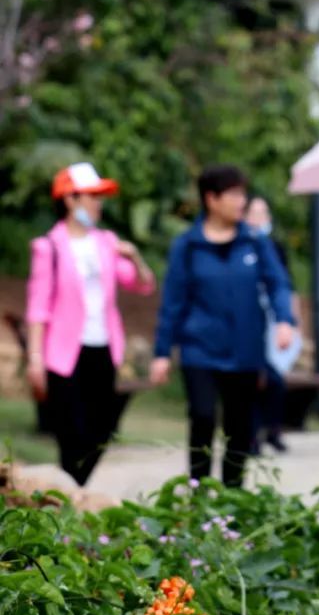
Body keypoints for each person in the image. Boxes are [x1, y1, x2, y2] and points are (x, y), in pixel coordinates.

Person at [150, 164, 295, 488]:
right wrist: (162, 352)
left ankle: (233, 500)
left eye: (243, 194)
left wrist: (285, 320)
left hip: (245, 350)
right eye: (234, 194)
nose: (241, 201)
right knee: (202, 416)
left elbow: (278, 284)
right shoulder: (187, 246)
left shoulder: (255, 242)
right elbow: (172, 302)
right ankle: (198, 495)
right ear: (211, 199)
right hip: (199, 349)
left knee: (240, 426)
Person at [25, 161, 155, 486]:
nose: (98, 203)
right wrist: (35, 359)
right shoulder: (49, 247)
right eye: (92, 196)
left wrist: (135, 256)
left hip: (104, 349)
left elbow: (142, 285)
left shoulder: (107, 243)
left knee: (102, 430)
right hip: (64, 354)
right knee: (71, 434)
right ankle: (71, 503)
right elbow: (38, 308)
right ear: (70, 199)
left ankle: (72, 494)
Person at [244, 194, 300, 455]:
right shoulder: (239, 245)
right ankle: (251, 436)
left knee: (275, 379)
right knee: (254, 379)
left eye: (263, 213)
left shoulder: (274, 248)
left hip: (272, 322)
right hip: (247, 323)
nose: (259, 219)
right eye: (254, 213)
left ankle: (273, 430)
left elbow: (284, 286)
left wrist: (287, 320)